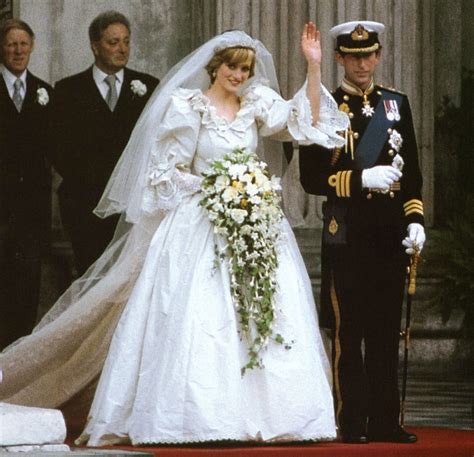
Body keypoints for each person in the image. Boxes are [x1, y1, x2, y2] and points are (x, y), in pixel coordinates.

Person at [0, 24, 349, 445]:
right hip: (200, 223)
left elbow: (304, 122)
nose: (239, 77)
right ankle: (200, 416)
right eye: (233, 69)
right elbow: (167, 174)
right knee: (199, 318)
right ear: (215, 68)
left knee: (262, 314)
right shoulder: (189, 107)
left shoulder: (256, 102)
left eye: (246, 70)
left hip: (254, 220)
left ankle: (270, 414)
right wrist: (217, 189)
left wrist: (313, 66)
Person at [299, 21, 425, 444]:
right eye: (354, 57)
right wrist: (360, 179)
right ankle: (351, 421)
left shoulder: (396, 104)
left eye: (369, 55)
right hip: (348, 236)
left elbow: (413, 177)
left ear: (379, 55)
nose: (363, 63)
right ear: (339, 58)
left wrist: (415, 221)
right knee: (349, 334)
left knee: (387, 332)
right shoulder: (324, 106)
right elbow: (312, 177)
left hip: (390, 235)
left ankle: (387, 421)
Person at [50, 10, 159, 276]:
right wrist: (94, 182)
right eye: (113, 42)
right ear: (95, 46)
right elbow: (57, 147)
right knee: (91, 278)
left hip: (131, 205)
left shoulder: (148, 86)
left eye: (126, 41)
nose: (122, 49)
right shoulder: (67, 90)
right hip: (84, 203)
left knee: (127, 280)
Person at [0, 19, 53, 350]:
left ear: (32, 47)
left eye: (23, 44)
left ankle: (17, 361)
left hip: (31, 213)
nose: (18, 51)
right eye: (10, 44)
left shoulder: (46, 92)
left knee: (27, 289)